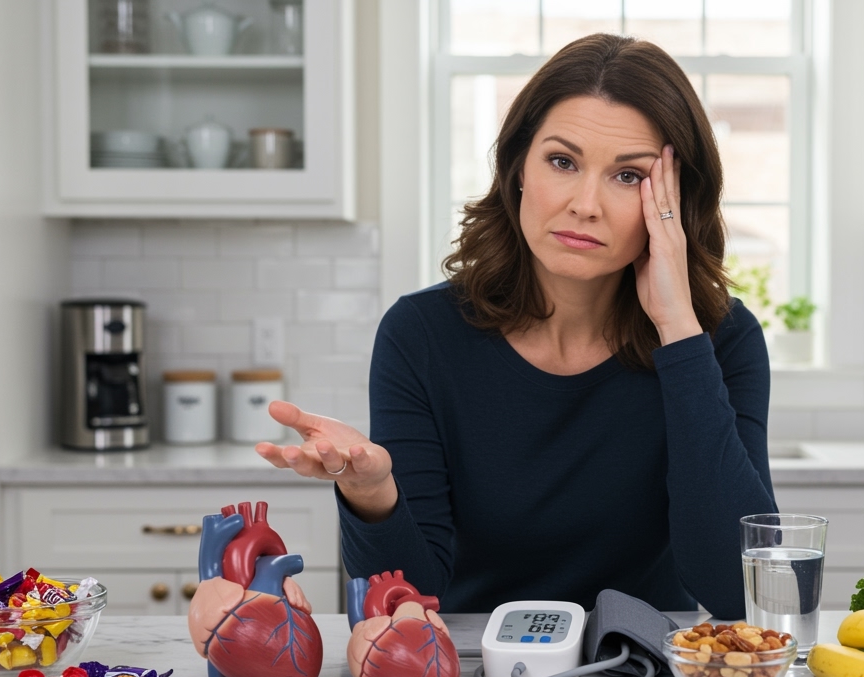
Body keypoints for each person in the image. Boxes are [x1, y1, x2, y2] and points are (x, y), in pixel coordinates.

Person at [257, 33, 776, 619]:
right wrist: (372, 495)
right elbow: (407, 602)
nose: (585, 204)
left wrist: (679, 330)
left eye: (628, 176)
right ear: (518, 168)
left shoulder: (721, 340)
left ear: (676, 203)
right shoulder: (422, 335)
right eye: (563, 161)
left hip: (650, 675)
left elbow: (739, 595)